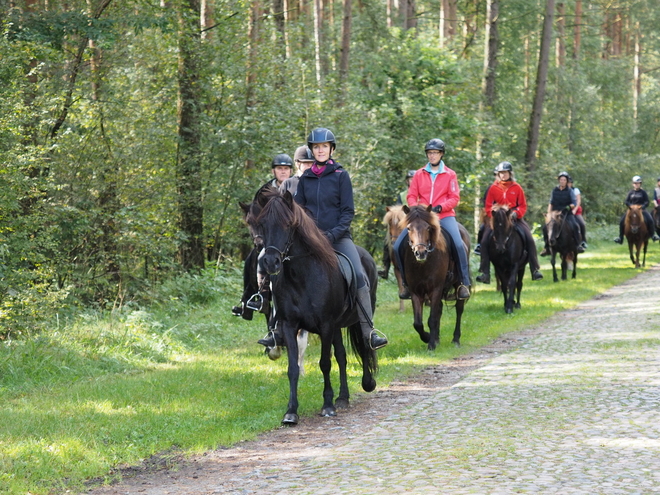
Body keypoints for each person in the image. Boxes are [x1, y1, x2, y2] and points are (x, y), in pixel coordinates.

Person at [262, 127, 388, 351]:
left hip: (338, 238)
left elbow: (347, 212)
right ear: (312, 150)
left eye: (324, 147)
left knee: (359, 275)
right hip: (310, 241)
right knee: (281, 273)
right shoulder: (305, 179)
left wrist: (331, 235)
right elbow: (297, 211)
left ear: (331, 149)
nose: (320, 150)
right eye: (316, 147)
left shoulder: (341, 176)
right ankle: (276, 330)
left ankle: (369, 331)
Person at [393, 138, 471, 301]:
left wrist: (440, 207)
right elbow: (411, 195)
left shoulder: (450, 174)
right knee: (397, 246)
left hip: (444, 216)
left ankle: (463, 282)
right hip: (421, 218)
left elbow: (454, 197)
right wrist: (417, 209)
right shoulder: (419, 174)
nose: (432, 156)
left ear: (441, 154)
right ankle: (407, 284)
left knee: (458, 244)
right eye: (429, 153)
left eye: (435, 153)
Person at [231, 153, 294, 319]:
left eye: (286, 169)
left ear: (290, 171)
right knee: (254, 259)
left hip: (291, 236)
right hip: (271, 237)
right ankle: (255, 298)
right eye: (279, 168)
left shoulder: (295, 187)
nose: (283, 172)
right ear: (273, 171)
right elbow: (255, 213)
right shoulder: (264, 191)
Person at [475, 161, 543, 284]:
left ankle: (535, 269)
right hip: (497, 220)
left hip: (514, 218)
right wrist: (494, 215)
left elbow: (523, 205)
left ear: (510, 173)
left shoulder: (517, 188)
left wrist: (516, 213)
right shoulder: (493, 188)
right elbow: (488, 206)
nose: (503, 175)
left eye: (505, 173)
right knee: (484, 239)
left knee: (529, 238)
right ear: (498, 174)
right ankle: (484, 272)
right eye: (501, 173)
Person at [378, 170, 415, 280]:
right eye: (410, 179)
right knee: (389, 238)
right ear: (407, 181)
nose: (412, 181)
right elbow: (398, 208)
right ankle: (386, 267)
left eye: (414, 179)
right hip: (403, 223)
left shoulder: (422, 194)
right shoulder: (403, 195)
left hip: (417, 223)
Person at [540, 171, 586, 255]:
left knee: (575, 226)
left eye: (564, 180)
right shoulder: (555, 190)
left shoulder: (570, 191)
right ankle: (547, 247)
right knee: (545, 227)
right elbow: (551, 202)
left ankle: (578, 245)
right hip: (555, 213)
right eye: (561, 180)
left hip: (566, 213)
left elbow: (574, 203)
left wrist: (569, 207)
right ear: (559, 180)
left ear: (566, 181)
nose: (562, 181)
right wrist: (549, 213)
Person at [613, 175, 660, 243]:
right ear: (633, 184)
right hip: (631, 211)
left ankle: (653, 235)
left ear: (640, 184)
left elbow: (647, 201)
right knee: (621, 221)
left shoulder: (643, 192)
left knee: (650, 220)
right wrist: (631, 206)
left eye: (638, 183)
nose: (636, 185)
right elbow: (626, 201)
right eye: (635, 183)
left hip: (641, 210)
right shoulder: (630, 192)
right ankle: (620, 238)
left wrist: (642, 206)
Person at [473, 168, 498, 255]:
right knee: (482, 228)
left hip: (508, 216)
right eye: (496, 175)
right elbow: (486, 203)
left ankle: (527, 250)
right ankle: (479, 245)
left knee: (524, 230)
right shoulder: (490, 189)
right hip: (493, 216)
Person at [567, 176, 587, 249]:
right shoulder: (561, 190)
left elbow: (578, 201)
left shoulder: (575, 190)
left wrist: (574, 210)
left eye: (569, 183)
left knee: (582, 224)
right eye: (567, 183)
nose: (568, 184)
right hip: (566, 211)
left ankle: (583, 241)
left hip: (575, 211)